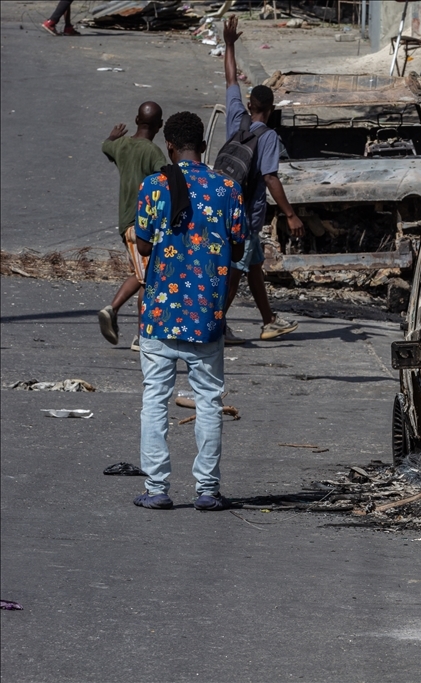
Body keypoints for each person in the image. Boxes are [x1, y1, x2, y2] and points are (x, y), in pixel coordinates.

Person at [131, 111, 247, 511]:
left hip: (161, 314)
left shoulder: (155, 185)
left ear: (169, 145)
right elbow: (240, 247)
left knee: (154, 400)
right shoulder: (228, 188)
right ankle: (207, 490)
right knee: (209, 402)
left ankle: (157, 487)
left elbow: (143, 245)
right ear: (203, 145)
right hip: (206, 315)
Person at [220, 15, 303, 344]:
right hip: (246, 218)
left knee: (253, 266)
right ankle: (216, 324)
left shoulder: (236, 120)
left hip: (224, 208)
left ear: (250, 105)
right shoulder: (267, 137)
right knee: (238, 269)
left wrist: (229, 45)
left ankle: (269, 320)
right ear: (270, 109)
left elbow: (229, 80)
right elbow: (269, 177)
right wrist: (290, 214)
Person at [98, 102, 166, 351]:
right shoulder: (153, 153)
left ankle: (112, 311)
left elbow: (107, 147)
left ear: (136, 120)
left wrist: (111, 137)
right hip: (142, 227)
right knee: (148, 280)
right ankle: (141, 335)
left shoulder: (122, 146)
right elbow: (165, 180)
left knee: (140, 274)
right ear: (160, 125)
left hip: (125, 222)